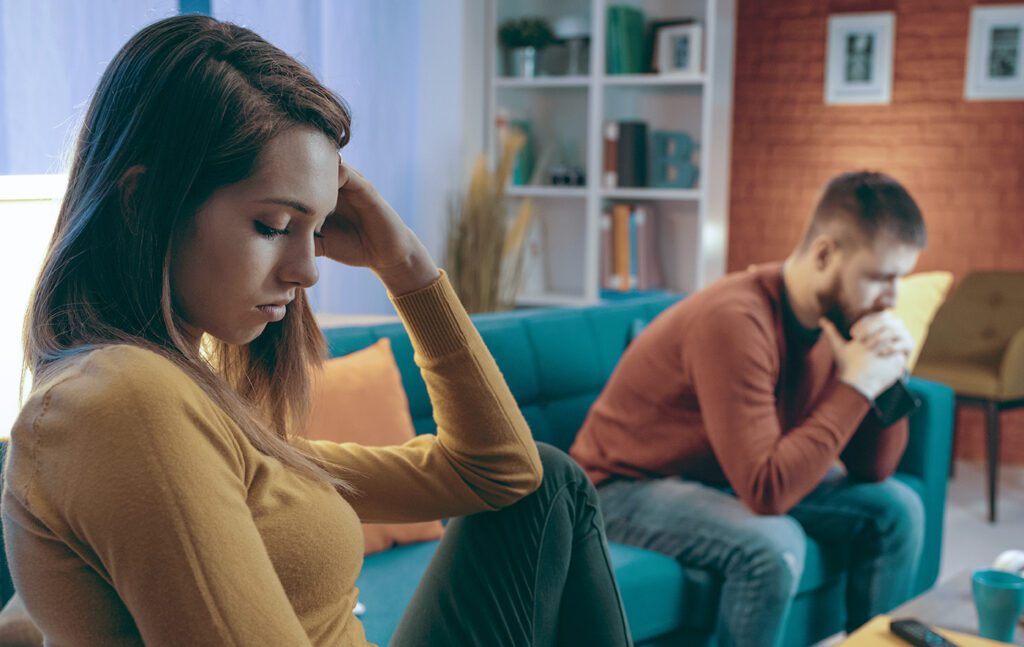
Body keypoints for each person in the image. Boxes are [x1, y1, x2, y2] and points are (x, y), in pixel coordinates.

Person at [1, 15, 633, 647]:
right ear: (141, 202)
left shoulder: (205, 409)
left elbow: (502, 474)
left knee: (553, 480)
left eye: (320, 228)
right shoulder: (125, 397)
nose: (307, 271)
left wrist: (407, 267)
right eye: (274, 224)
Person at [570, 171, 928, 647]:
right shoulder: (735, 320)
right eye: (880, 277)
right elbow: (766, 491)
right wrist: (856, 385)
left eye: (899, 279)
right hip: (619, 488)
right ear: (824, 254)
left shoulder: (836, 321)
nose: (893, 298)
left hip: (718, 474)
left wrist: (889, 377)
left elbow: (873, 468)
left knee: (897, 508)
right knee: (772, 545)